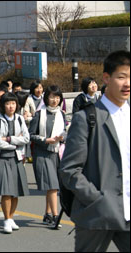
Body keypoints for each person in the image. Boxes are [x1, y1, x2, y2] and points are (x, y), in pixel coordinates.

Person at [59, 50, 130, 252]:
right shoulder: (87, 118)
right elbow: (70, 170)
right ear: (106, 78)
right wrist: (97, 199)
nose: (127, 83)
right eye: (121, 77)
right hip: (98, 213)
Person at [0, 93, 30, 234]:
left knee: (16, 191)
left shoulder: (20, 119)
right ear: (3, 106)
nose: (11, 106)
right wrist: (14, 143)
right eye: (8, 103)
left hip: (17, 158)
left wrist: (8, 139)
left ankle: (11, 217)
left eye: (13, 103)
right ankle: (6, 219)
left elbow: (26, 138)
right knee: (6, 191)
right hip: (2, 158)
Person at [29, 85, 67, 228]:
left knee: (53, 185)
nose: (55, 100)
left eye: (57, 97)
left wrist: (62, 138)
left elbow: (65, 132)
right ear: (46, 98)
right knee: (52, 186)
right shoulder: (39, 114)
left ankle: (48, 214)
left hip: (57, 152)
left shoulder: (61, 114)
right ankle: (56, 216)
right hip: (42, 153)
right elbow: (30, 135)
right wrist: (45, 140)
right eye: (52, 97)